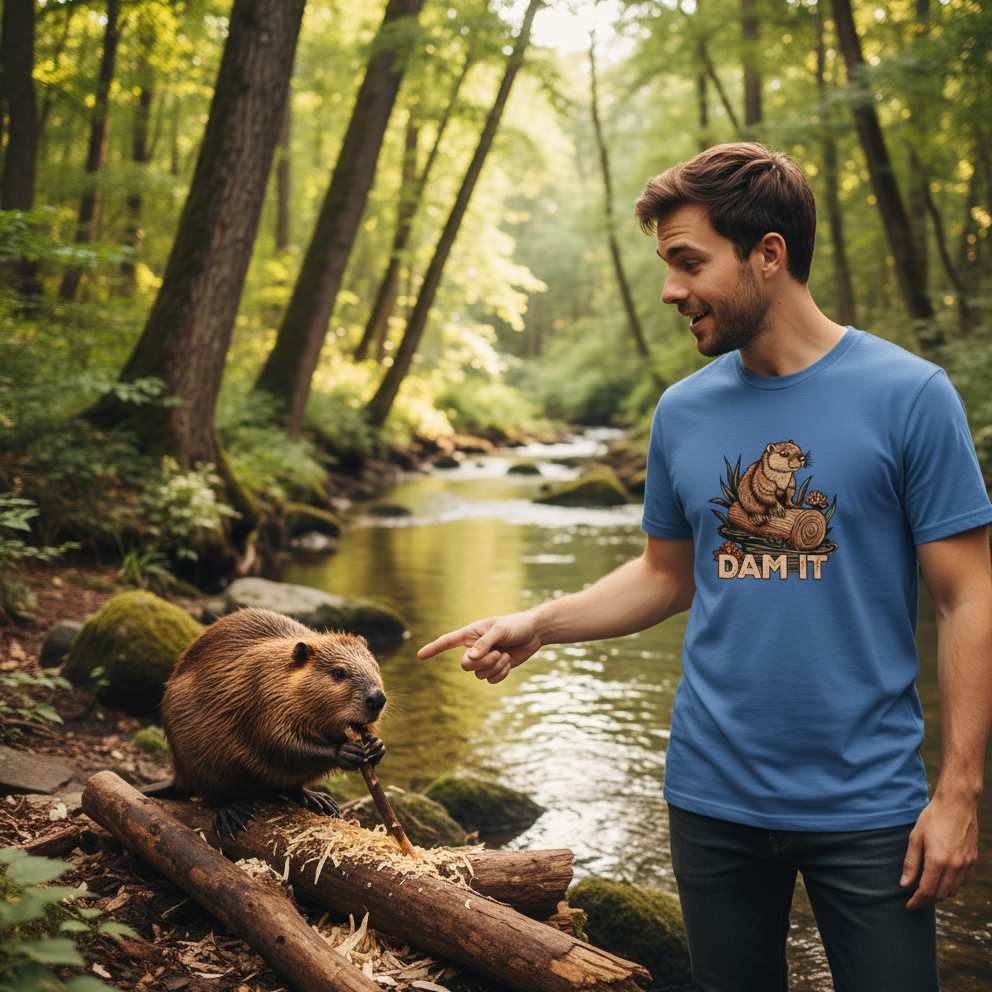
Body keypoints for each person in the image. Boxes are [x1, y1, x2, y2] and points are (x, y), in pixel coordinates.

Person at [417, 142, 992, 992]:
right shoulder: (682, 412)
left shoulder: (910, 395)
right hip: (711, 799)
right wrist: (540, 622)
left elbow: (967, 597)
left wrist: (958, 796)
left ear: (769, 254)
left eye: (689, 262)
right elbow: (664, 576)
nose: (669, 290)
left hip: (869, 807)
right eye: (665, 265)